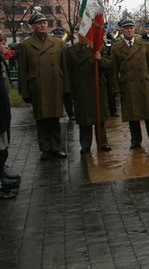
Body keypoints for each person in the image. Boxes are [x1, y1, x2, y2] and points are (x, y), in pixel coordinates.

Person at [19, 12, 70, 160]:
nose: (42, 25)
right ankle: (45, 149)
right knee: (41, 120)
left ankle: (56, 147)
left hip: (55, 85)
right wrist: (25, 92)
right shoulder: (26, 45)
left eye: (45, 23)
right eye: (39, 23)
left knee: (55, 118)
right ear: (33, 26)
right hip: (38, 87)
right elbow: (23, 70)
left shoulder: (58, 43)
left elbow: (64, 67)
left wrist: (66, 88)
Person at [111, 18, 149, 149]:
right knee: (132, 116)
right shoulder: (116, 47)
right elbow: (113, 70)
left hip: (144, 84)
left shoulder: (144, 44)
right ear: (122, 30)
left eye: (131, 28)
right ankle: (135, 140)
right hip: (127, 85)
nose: (129, 30)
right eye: (126, 28)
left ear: (134, 29)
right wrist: (115, 88)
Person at [66, 36, 112, 154]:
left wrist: (100, 59)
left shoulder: (99, 47)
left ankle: (103, 142)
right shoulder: (71, 51)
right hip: (81, 89)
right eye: (81, 34)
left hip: (98, 87)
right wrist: (70, 90)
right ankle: (85, 145)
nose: (84, 37)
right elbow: (68, 72)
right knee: (84, 119)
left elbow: (109, 64)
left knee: (99, 118)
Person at [0, 32, 21, 199]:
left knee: (3, 147)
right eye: (2, 43)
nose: (5, 47)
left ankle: (2, 175)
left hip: (3, 109)